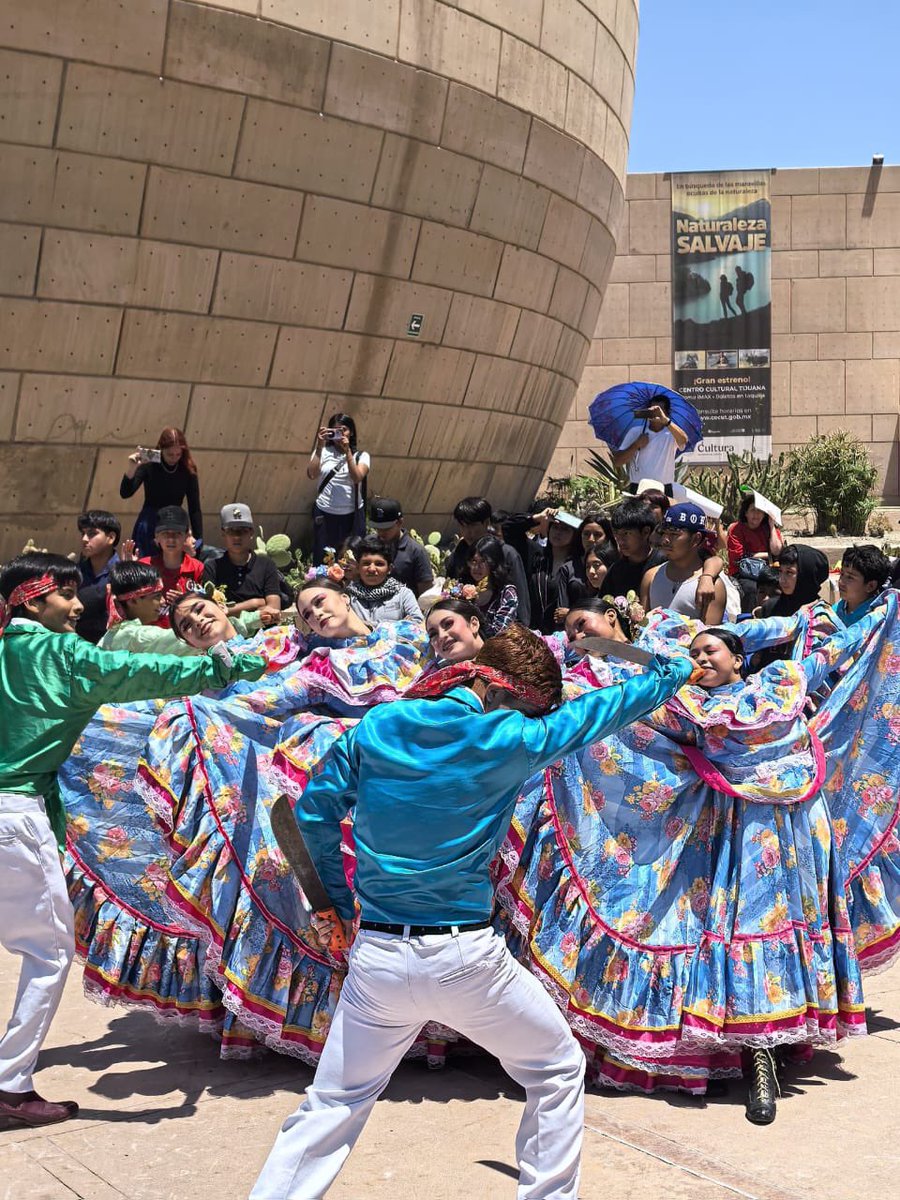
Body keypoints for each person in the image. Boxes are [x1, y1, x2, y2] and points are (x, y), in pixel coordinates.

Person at [249, 625, 696, 1199]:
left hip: (378, 960)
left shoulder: (380, 725)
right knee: (557, 1070)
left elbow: (311, 816)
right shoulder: (512, 737)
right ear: (505, 692)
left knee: (335, 1102)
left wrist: (332, 904)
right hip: (466, 959)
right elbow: (601, 711)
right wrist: (669, 673)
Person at [0, 553, 266, 1129]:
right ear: (30, 602)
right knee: (48, 953)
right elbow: (137, 674)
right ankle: (9, 1086)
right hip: (12, 813)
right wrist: (220, 666)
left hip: (16, 811)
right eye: (66, 596)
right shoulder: (58, 653)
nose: (78, 606)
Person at [101, 563, 261, 654]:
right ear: (133, 601)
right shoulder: (135, 636)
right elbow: (194, 640)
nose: (163, 601)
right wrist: (254, 619)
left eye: (199, 610)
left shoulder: (116, 634)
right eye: (156, 597)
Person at [445, 497, 530, 624]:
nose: (468, 532)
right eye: (463, 525)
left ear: (486, 523)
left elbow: (521, 601)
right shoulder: (458, 554)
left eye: (473, 525)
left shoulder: (506, 553)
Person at [119, 427, 203, 557]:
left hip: (174, 521)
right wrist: (132, 469)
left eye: (178, 454)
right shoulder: (150, 464)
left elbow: (194, 507)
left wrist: (199, 539)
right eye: (170, 454)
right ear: (161, 449)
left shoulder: (187, 468)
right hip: (150, 522)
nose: (174, 458)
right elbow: (125, 493)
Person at [642, 503, 728, 622]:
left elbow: (708, 637)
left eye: (674, 534)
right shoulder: (651, 577)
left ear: (696, 539)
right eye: (664, 533)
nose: (665, 540)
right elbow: (641, 628)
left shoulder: (712, 587)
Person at [202, 504, 282, 623]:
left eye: (242, 531)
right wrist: (254, 603)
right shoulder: (212, 567)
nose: (236, 536)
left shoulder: (266, 564)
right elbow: (212, 611)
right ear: (223, 533)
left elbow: (273, 609)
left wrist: (230, 611)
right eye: (231, 531)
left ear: (251, 533)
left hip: (261, 633)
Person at [308, 413, 370, 565]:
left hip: (351, 515)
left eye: (343, 430)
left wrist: (348, 451)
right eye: (334, 431)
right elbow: (312, 474)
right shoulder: (323, 452)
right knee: (323, 557)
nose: (339, 434)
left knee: (350, 558)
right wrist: (319, 446)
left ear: (352, 432)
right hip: (325, 512)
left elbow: (357, 477)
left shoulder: (362, 456)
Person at [139, 505, 204, 627]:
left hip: (185, 634)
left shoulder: (197, 568)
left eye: (177, 533)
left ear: (186, 536)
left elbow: (205, 605)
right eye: (165, 533)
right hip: (150, 634)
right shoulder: (144, 566)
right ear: (156, 537)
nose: (171, 539)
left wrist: (186, 601)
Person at [610, 395, 689, 486]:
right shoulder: (636, 432)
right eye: (651, 410)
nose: (655, 413)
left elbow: (683, 440)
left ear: (666, 413)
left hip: (664, 488)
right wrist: (636, 445)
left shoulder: (672, 433)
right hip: (639, 487)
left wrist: (666, 421)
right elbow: (618, 461)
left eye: (659, 411)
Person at [345, 536, 423, 625]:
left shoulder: (403, 594)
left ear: (389, 569)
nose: (372, 569)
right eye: (366, 563)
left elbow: (417, 622)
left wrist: (365, 625)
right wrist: (399, 624)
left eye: (379, 564)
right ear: (358, 567)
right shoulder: (348, 596)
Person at [368, 498, 434, 597]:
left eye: (386, 528)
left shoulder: (416, 551)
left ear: (399, 522)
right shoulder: (369, 543)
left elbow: (425, 593)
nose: (381, 533)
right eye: (378, 528)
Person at [75, 510, 122, 644]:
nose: (84, 539)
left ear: (111, 538)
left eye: (92, 534)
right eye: (83, 533)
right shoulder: (75, 572)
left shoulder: (122, 573)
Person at [758, 544, 830, 618]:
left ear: (806, 575)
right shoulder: (770, 607)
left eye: (789, 572)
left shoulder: (822, 614)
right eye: (780, 571)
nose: (782, 579)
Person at [467, 535, 519, 637]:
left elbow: (499, 632)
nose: (476, 567)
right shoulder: (464, 589)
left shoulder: (507, 593)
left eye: (483, 561)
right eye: (473, 561)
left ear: (494, 563)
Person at [835, 544, 892, 626]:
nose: (841, 582)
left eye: (850, 577)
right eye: (842, 574)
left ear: (870, 586)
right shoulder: (838, 608)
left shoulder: (875, 620)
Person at [424, 598, 485, 664]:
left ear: (473, 624)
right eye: (433, 634)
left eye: (448, 624)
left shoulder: (497, 655)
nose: (441, 636)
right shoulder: (438, 673)